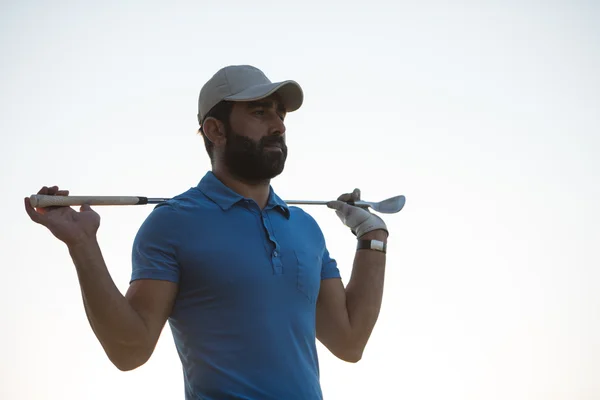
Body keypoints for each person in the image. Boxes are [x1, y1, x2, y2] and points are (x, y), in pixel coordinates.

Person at [24, 65, 390, 400]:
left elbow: (349, 341)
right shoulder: (173, 222)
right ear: (216, 130)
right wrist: (82, 244)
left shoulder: (306, 228)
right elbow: (129, 350)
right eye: (260, 112)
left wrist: (371, 236)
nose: (278, 125)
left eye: (279, 114)